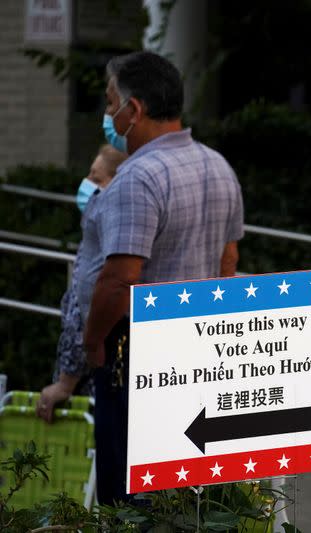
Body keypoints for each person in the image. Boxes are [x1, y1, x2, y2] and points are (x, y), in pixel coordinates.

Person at [78, 50, 244, 504]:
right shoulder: (218, 166)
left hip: (137, 353)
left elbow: (119, 280)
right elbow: (228, 260)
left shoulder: (138, 177)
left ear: (135, 110)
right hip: (197, 348)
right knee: (183, 490)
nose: (109, 114)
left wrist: (93, 342)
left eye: (112, 103)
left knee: (128, 494)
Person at [36, 144, 127, 423]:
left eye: (97, 179)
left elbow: (82, 318)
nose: (87, 185)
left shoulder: (104, 235)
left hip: (88, 392)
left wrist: (65, 383)